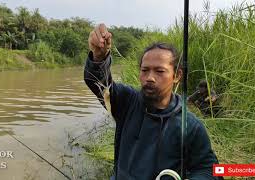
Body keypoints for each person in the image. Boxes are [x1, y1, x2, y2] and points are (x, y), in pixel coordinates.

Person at [84, 24, 222, 180]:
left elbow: (211, 170)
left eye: (159, 71)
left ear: (177, 76)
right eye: (145, 70)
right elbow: (98, 83)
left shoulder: (190, 126)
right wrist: (98, 57)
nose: (150, 77)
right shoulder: (126, 102)